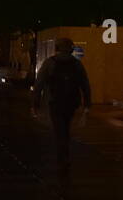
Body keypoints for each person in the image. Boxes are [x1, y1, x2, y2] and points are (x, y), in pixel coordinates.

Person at [33, 38, 92, 174]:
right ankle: (64, 154)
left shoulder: (50, 63)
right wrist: (87, 104)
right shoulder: (77, 64)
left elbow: (39, 84)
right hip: (71, 102)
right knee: (65, 126)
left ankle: (62, 157)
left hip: (55, 102)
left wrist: (35, 103)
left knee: (59, 129)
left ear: (57, 48)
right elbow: (85, 84)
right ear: (71, 49)